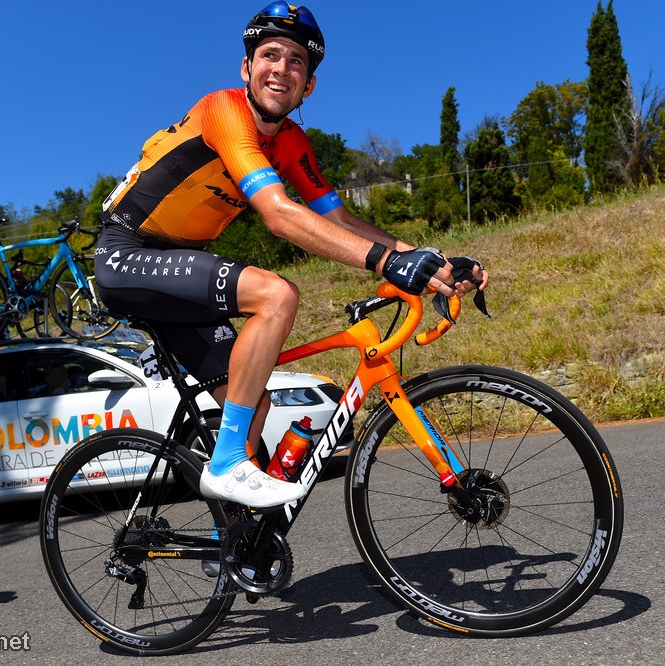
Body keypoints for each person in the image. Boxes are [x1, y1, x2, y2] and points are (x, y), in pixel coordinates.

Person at [94, 2, 488, 509]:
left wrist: (431, 260)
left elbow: (340, 221)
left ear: (309, 85)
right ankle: (226, 464)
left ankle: (236, 538)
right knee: (276, 295)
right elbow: (279, 215)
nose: (281, 68)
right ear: (246, 68)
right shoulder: (223, 110)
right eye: (270, 55)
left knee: (250, 400)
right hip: (128, 253)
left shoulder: (292, 143)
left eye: (296, 60)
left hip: (177, 272)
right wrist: (386, 263)